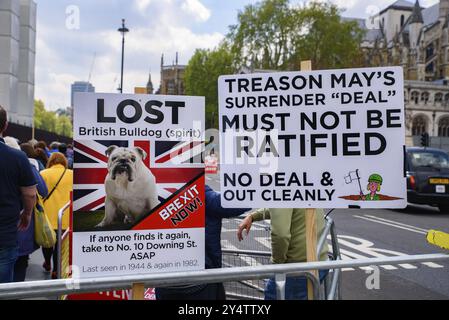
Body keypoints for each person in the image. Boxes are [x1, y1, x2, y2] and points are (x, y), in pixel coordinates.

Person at [155, 185, 250, 300]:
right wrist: (259, 192)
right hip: (200, 276)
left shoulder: (151, 191)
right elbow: (227, 203)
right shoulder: (199, 191)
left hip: (163, 277)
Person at [238, 208, 329, 300]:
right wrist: (253, 216)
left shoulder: (281, 194)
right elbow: (283, 206)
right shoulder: (299, 193)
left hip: (297, 269)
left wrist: (278, 265)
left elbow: (281, 235)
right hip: (319, 260)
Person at [0, 106, 36, 283]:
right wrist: (27, 214)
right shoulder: (18, 157)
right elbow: (30, 194)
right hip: (5, 233)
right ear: (5, 125)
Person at [6, 142, 48, 282]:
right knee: (18, 269)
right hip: (19, 226)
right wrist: (28, 213)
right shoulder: (24, 164)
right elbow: (41, 190)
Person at [39, 152, 73, 279]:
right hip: (65, 217)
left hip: (47, 216)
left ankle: (47, 262)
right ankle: (56, 270)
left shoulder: (43, 174)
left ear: (50, 162)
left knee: (47, 243)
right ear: (64, 162)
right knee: (60, 245)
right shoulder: (72, 175)